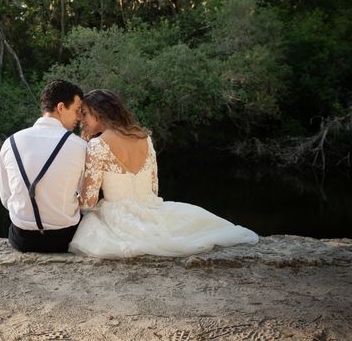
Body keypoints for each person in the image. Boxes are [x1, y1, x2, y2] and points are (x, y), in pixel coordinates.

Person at [69, 89, 259, 258]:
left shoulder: (97, 145)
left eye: (84, 114)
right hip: (152, 210)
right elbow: (154, 189)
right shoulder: (145, 139)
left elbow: (88, 202)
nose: (81, 120)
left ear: (100, 113)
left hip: (117, 218)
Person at [0, 79, 86, 253]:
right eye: (76, 111)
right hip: (64, 238)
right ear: (61, 107)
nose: (79, 117)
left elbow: (6, 197)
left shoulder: (11, 142)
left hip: (21, 238)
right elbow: (84, 198)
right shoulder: (80, 146)